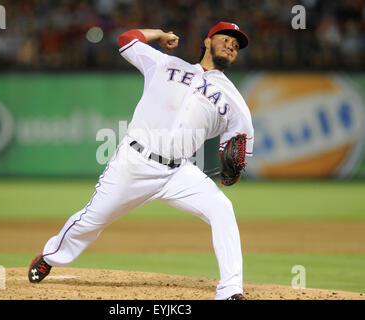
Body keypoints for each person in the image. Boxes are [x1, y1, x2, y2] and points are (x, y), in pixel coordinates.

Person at [28, 21, 254, 300]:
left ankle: (230, 290)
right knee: (91, 220)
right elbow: (126, 39)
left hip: (178, 172)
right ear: (207, 41)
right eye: (226, 38)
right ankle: (50, 257)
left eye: (237, 44)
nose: (232, 45)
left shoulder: (233, 98)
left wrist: (233, 168)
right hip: (134, 163)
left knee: (222, 208)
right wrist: (159, 34)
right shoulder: (164, 63)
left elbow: (239, 140)